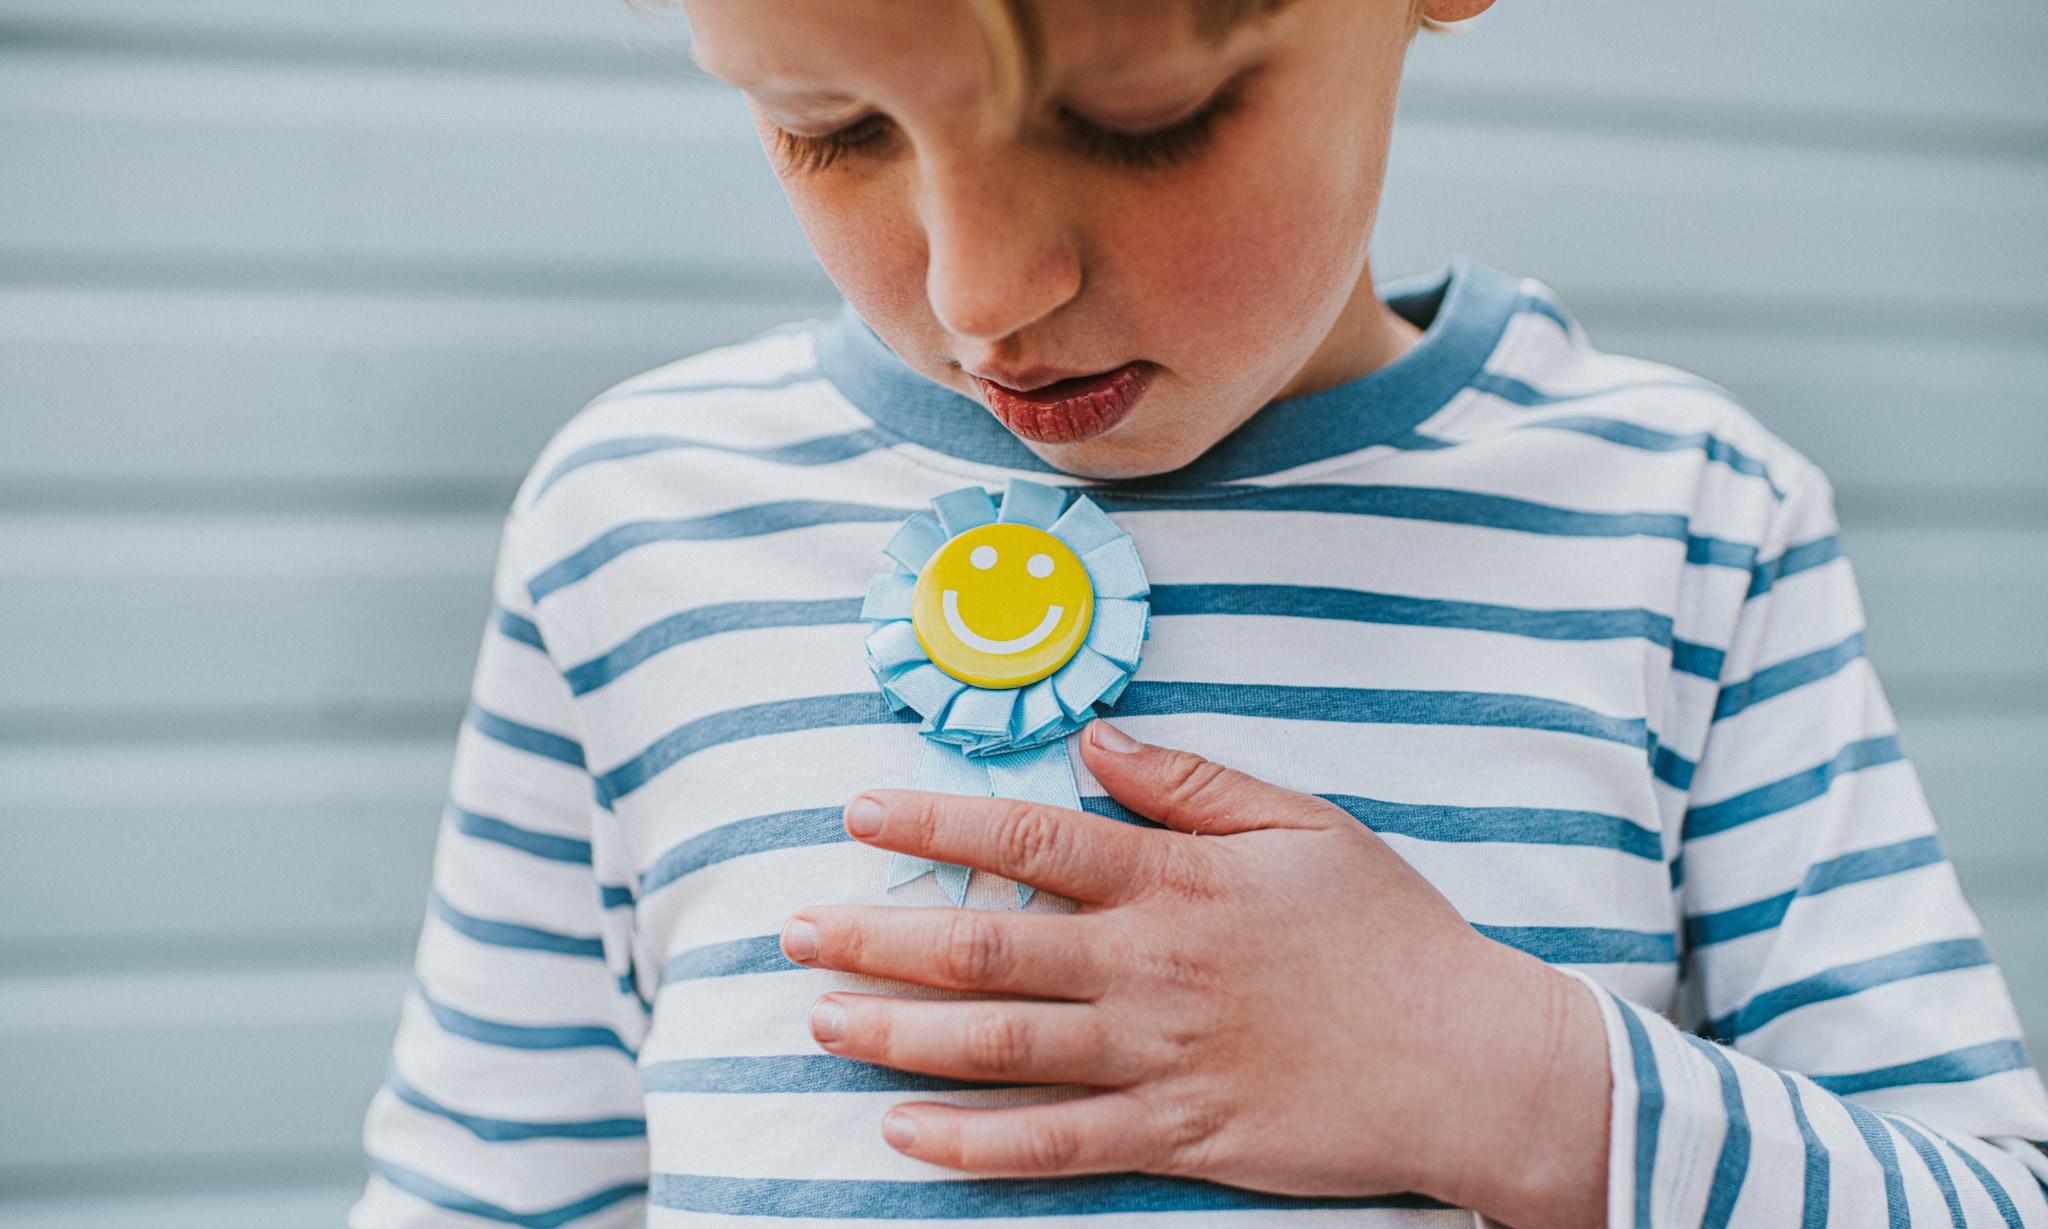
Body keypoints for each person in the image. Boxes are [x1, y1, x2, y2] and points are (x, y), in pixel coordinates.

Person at [350, 0, 2048, 1225]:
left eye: (1137, 118)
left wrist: (1491, 1071)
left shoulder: (1692, 521)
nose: (979, 290)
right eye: (832, 126)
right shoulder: (627, 515)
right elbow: (482, 1192)